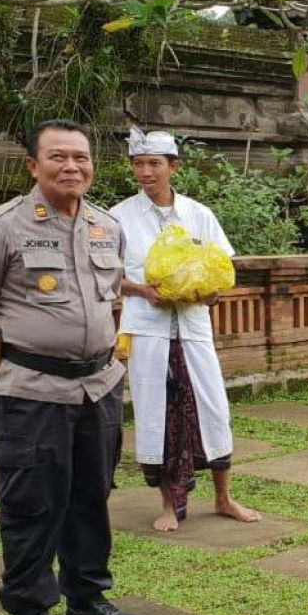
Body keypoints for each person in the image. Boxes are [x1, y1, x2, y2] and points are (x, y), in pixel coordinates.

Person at [0, 119, 143, 615]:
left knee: (91, 497)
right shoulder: (2, 227)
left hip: (98, 388)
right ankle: (31, 613)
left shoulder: (107, 227)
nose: (72, 167)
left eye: (81, 158)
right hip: (31, 392)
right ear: (34, 166)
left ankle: (86, 598)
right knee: (31, 505)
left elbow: (111, 301)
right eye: (58, 157)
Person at [110, 128, 260, 532]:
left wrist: (208, 294)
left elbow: (223, 269)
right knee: (156, 412)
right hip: (147, 328)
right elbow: (104, 274)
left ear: (173, 167)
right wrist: (141, 289)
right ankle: (167, 504)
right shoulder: (119, 217)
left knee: (211, 407)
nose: (146, 172)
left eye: (154, 164)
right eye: (139, 164)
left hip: (193, 327)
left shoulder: (198, 214)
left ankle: (224, 497)